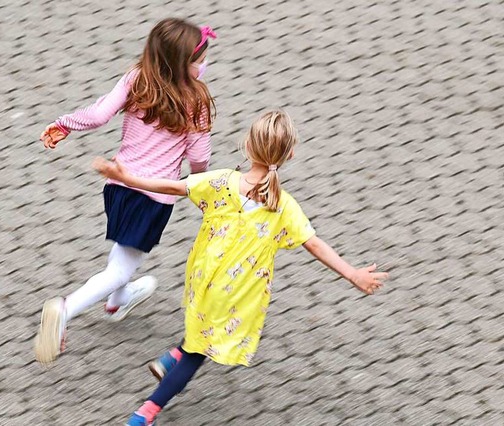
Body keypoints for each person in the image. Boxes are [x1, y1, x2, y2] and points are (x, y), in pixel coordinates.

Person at [93, 109, 389, 426]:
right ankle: (146, 412)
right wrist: (352, 273)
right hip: (238, 293)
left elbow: (172, 186)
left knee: (203, 328)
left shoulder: (222, 181)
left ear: (247, 146)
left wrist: (126, 178)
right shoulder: (283, 205)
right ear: (289, 154)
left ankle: (172, 357)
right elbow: (313, 243)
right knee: (200, 352)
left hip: (203, 278)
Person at [34, 18, 217, 365]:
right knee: (121, 267)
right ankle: (64, 310)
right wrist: (201, 188)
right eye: (198, 60)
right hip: (152, 196)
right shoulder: (195, 101)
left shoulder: (138, 78)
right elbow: (199, 157)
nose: (203, 65)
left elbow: (101, 113)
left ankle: (117, 303)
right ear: (182, 64)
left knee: (125, 250)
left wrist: (64, 124)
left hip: (117, 186)